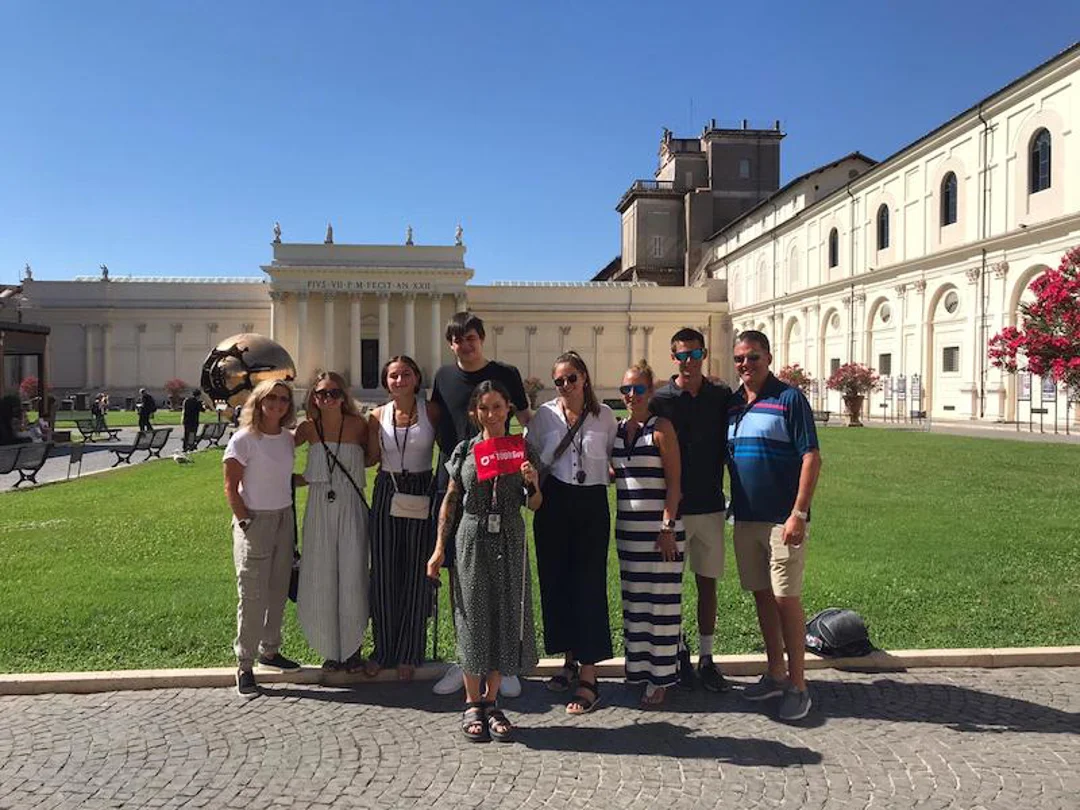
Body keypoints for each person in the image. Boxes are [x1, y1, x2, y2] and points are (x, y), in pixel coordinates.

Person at [426, 380, 542, 742]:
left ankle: (492, 703)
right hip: (473, 536)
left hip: (509, 534)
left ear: (508, 409)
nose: (491, 414)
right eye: (484, 408)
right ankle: (472, 703)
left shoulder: (521, 450)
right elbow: (450, 499)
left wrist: (532, 482)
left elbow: (536, 504)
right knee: (473, 616)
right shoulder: (464, 451)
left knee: (504, 615)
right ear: (475, 413)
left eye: (497, 407)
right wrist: (439, 548)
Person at [429, 312, 531, 698]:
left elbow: (526, 418)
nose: (465, 345)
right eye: (457, 340)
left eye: (470, 338)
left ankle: (503, 665)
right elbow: (436, 422)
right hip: (461, 477)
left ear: (482, 338)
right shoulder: (442, 377)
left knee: (503, 575)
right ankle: (466, 657)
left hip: (502, 483)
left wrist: (526, 462)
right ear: (451, 343)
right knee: (462, 576)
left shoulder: (506, 372)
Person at [727, 330, 821, 721]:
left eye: (753, 358)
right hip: (746, 517)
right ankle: (775, 672)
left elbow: (811, 457)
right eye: (739, 359)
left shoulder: (789, 399)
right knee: (762, 596)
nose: (745, 365)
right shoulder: (733, 406)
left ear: (768, 357)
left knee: (786, 599)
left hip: (782, 521)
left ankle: (799, 685)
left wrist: (798, 514)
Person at [527, 350, 617, 715]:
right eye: (559, 380)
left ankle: (589, 678)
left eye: (572, 379)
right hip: (553, 503)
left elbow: (614, 458)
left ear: (585, 379)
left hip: (591, 503)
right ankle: (568, 662)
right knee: (557, 584)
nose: (566, 386)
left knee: (589, 585)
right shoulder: (544, 417)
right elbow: (530, 459)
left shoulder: (606, 417)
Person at [649, 327, 732, 691]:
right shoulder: (661, 399)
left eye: (695, 355)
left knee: (707, 584)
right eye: (682, 356)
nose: (689, 362)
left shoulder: (720, 395)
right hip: (673, 509)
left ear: (704, 354)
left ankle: (707, 658)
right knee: (670, 586)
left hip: (711, 504)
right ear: (674, 358)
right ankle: (677, 650)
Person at [222, 379, 303, 699]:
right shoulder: (244, 440)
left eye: (284, 400)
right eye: (272, 398)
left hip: (284, 518)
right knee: (252, 593)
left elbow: (279, 476)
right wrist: (244, 519)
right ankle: (244, 663)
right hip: (255, 520)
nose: (278, 404)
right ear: (259, 401)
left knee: (277, 590)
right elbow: (230, 485)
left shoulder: (286, 439)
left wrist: (307, 478)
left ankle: (270, 650)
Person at [612, 360, 684, 707]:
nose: (631, 396)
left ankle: (662, 677)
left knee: (662, 606)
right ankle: (639, 670)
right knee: (635, 603)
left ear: (651, 391)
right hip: (628, 534)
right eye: (625, 390)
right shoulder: (618, 429)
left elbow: (674, 485)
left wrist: (667, 527)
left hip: (660, 535)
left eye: (638, 389)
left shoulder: (662, 428)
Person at [365, 356, 440, 681]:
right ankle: (384, 651)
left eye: (405, 374)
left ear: (417, 377)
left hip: (422, 488)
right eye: (393, 375)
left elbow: (449, 447)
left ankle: (410, 651)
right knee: (382, 573)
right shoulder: (376, 416)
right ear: (386, 382)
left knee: (416, 574)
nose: (399, 380)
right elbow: (369, 458)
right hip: (388, 489)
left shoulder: (431, 412)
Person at [294, 371, 371, 672]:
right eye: (322, 393)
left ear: (344, 396)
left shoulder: (359, 426)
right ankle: (329, 648)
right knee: (320, 574)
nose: (327, 398)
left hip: (351, 506)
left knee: (353, 574)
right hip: (319, 508)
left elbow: (375, 457)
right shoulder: (307, 429)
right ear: (313, 397)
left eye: (334, 393)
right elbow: (276, 450)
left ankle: (353, 648)